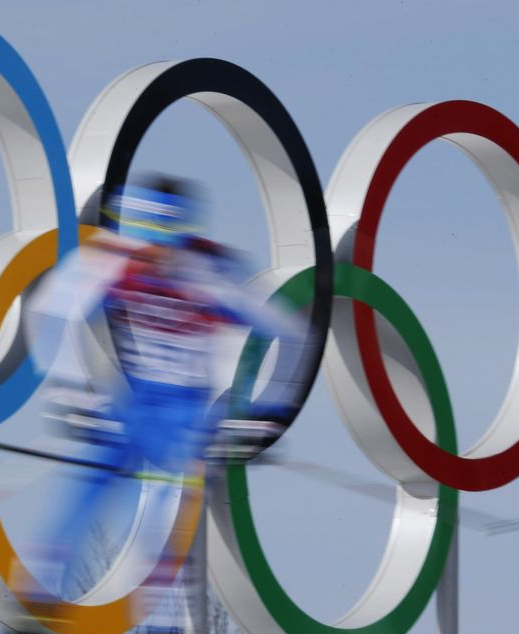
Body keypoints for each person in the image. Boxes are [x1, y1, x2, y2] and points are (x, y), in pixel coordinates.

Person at [25, 175, 313, 599]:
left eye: (165, 235)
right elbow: (50, 312)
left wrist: (268, 413)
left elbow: (291, 333)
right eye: (143, 234)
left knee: (159, 516)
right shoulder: (107, 259)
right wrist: (70, 390)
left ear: (182, 231)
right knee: (79, 498)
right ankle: (36, 609)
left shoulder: (210, 269)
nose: (152, 251)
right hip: (129, 403)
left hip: (186, 412)